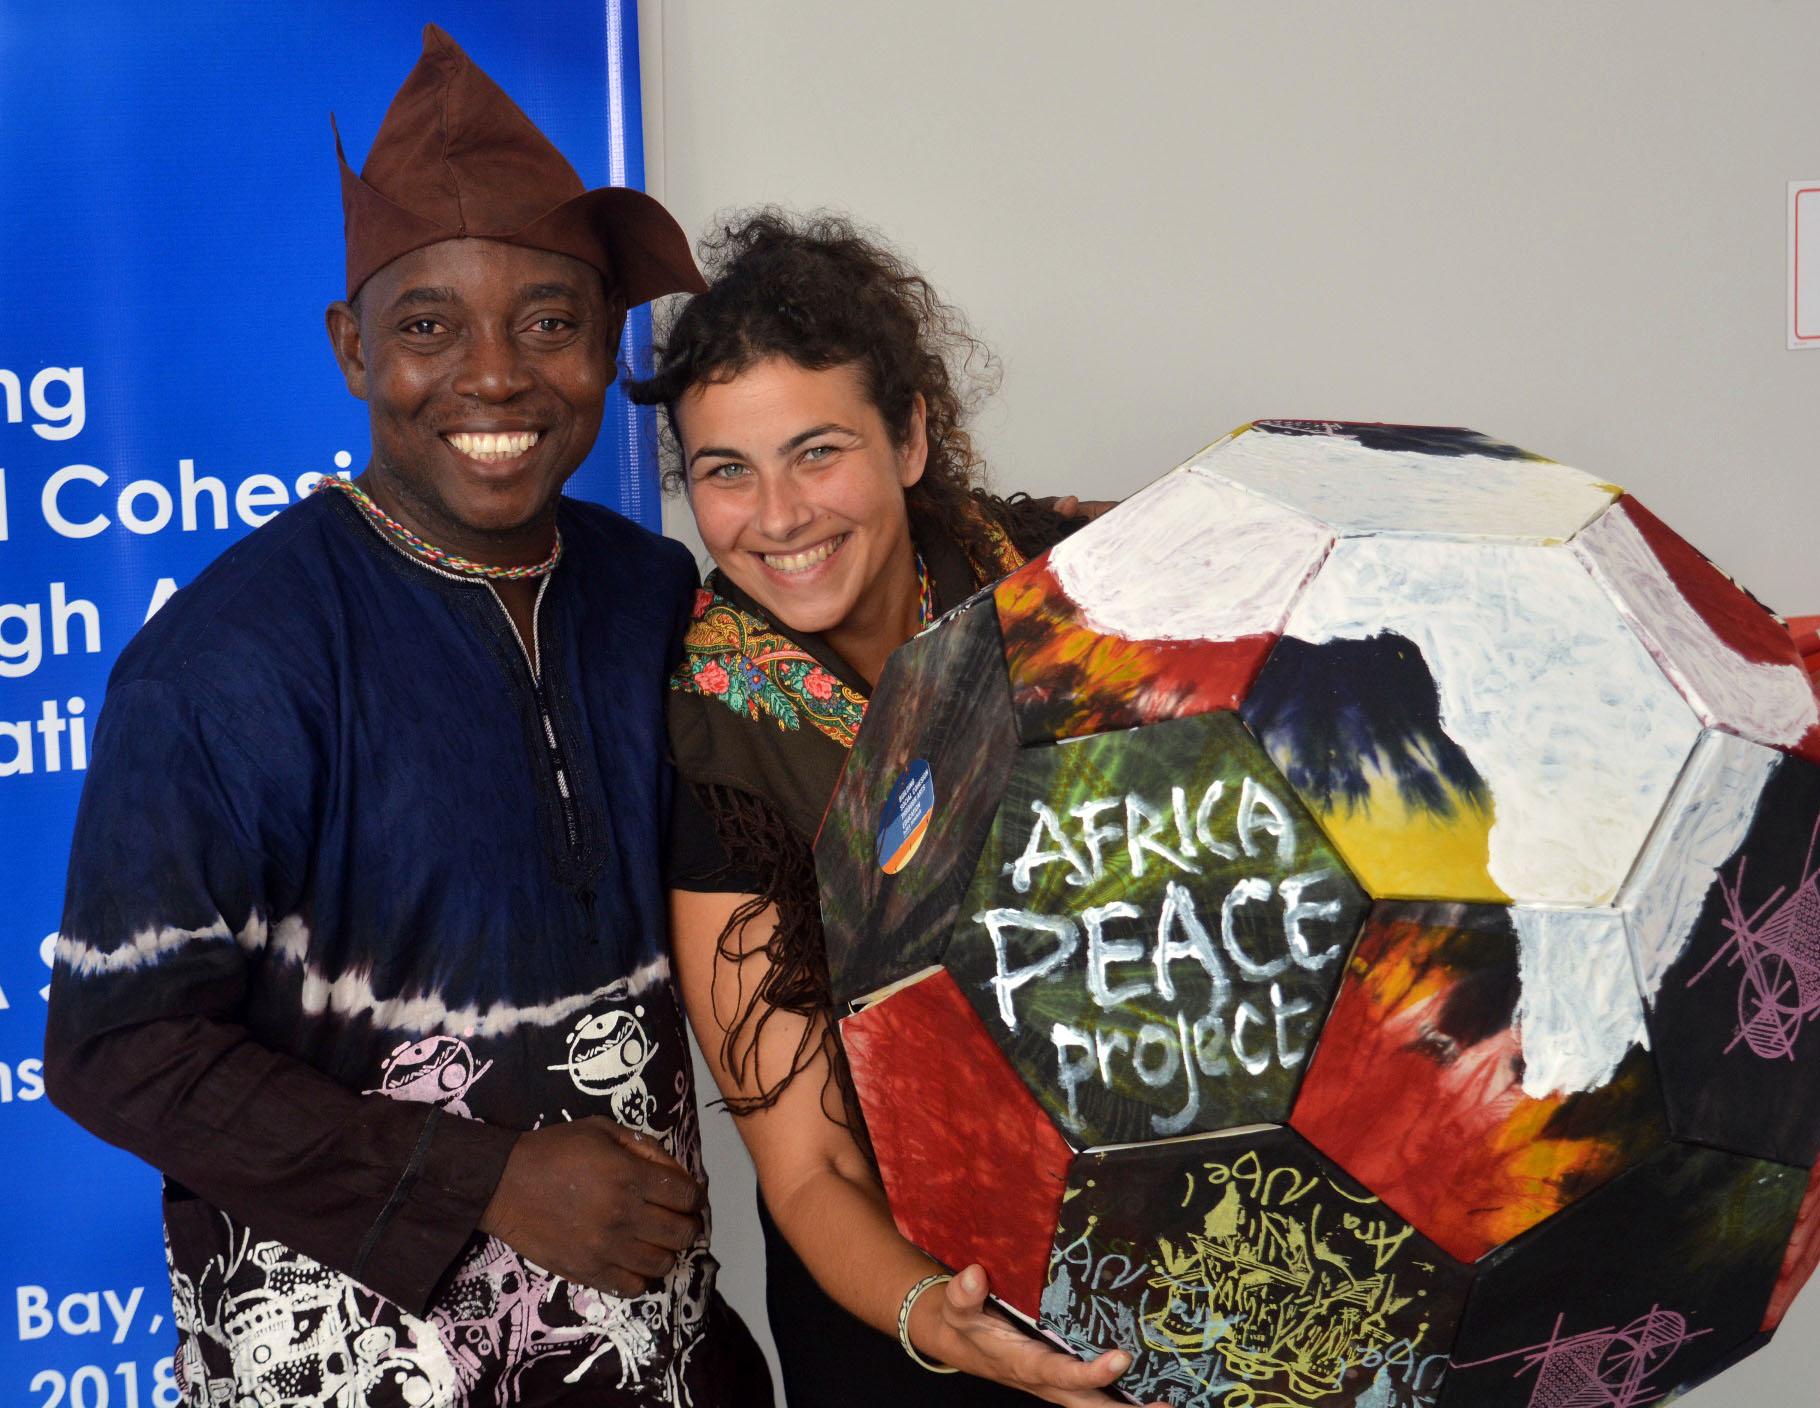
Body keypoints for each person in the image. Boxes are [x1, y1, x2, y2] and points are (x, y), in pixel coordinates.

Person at [43, 27, 770, 1407]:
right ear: (353, 349)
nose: (495, 377)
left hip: (655, 1355)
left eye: (548, 322)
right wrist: (484, 1179)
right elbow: (114, 1050)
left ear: (605, 345)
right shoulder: (224, 662)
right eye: (429, 326)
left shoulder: (648, 592)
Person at [630, 212, 1145, 1408]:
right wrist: (939, 1318)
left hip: (1173, 1235)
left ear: (909, 435)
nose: (777, 515)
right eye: (725, 471)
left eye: (816, 452)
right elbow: (807, 1163)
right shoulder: (715, 735)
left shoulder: (1079, 586)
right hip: (906, 1311)